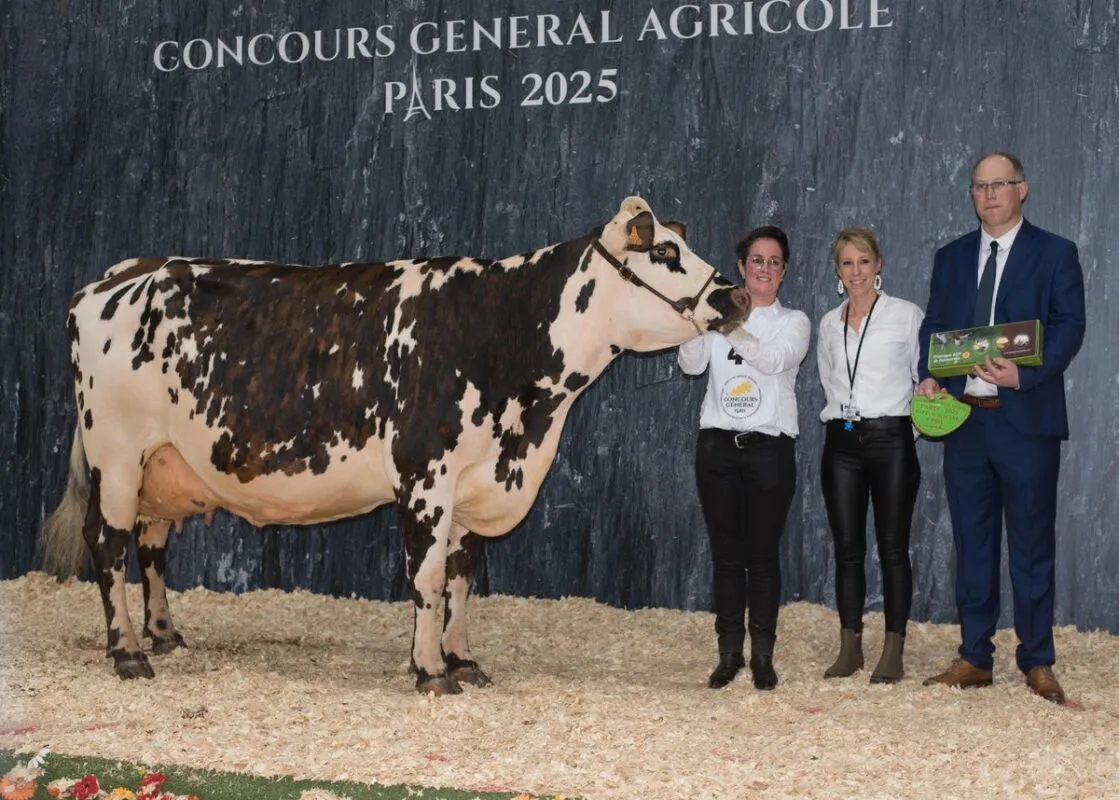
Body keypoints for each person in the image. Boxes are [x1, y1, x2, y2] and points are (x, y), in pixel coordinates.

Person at [916, 152, 1086, 704]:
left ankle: (1037, 661)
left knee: (1033, 546)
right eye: (980, 186)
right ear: (972, 195)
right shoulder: (952, 257)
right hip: (966, 423)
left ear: (1022, 190)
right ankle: (975, 657)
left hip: (1026, 423)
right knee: (973, 543)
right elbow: (937, 328)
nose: (989, 194)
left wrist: (1025, 374)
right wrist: (930, 376)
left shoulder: (1056, 253)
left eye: (999, 184)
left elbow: (1069, 326)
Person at [678, 226, 810, 691]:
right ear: (741, 267)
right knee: (727, 556)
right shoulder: (717, 318)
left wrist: (726, 321)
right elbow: (691, 366)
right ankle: (728, 653)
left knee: (763, 555)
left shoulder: (794, 321)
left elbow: (772, 361)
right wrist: (696, 322)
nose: (765, 269)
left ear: (784, 270)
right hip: (718, 446)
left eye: (774, 262)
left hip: (769, 450)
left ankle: (763, 655)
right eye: (757, 260)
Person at [816, 227, 923, 684]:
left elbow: (927, 381)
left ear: (878, 265)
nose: (855, 271)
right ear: (837, 272)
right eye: (846, 263)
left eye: (863, 261)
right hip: (841, 443)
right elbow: (829, 382)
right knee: (847, 551)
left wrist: (905, 430)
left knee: (894, 549)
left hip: (891, 440)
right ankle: (850, 647)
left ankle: (894, 649)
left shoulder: (906, 315)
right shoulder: (827, 323)